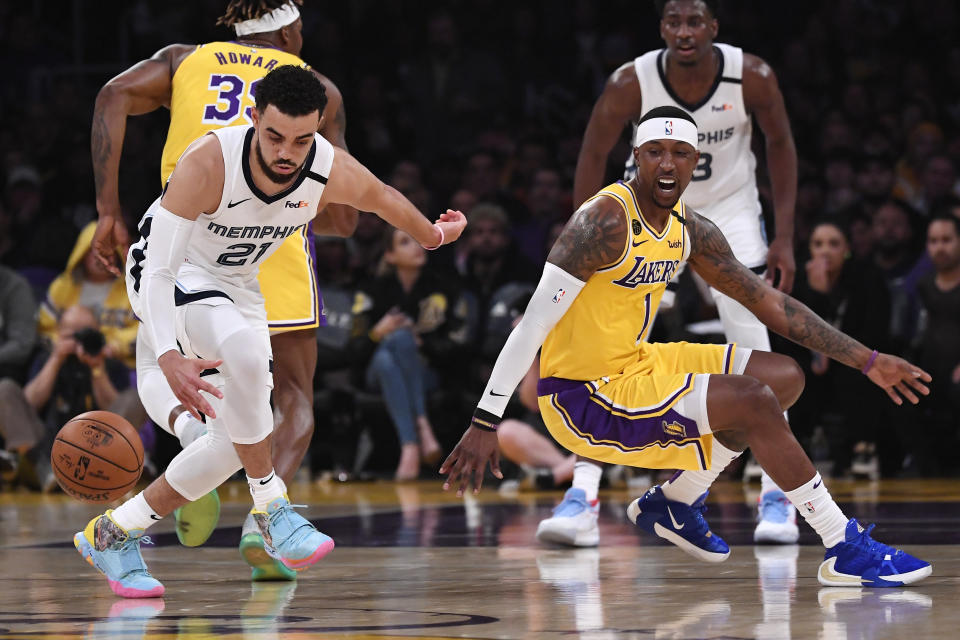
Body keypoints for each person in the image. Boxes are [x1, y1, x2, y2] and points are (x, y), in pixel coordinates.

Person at [441, 106, 932, 589]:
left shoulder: (689, 229)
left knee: (783, 378)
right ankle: (842, 544)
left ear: (697, 161)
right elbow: (530, 328)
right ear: (636, 157)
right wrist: (486, 420)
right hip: (579, 396)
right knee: (753, 402)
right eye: (655, 152)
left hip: (634, 365)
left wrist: (866, 360)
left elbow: (769, 302)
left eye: (680, 153)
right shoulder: (601, 223)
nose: (668, 163)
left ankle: (677, 501)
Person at [74, 65, 466, 599]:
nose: (286, 152)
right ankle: (272, 507)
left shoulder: (326, 167)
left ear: (318, 130)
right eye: (275, 136)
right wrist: (167, 352)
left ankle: (114, 532)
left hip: (236, 283)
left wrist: (435, 234)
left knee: (234, 443)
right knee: (244, 355)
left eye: (302, 140)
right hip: (170, 275)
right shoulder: (208, 162)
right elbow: (160, 273)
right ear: (254, 118)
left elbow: (380, 197)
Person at [87, 0, 355, 580]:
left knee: (171, 369)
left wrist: (108, 211)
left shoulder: (184, 61)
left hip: (181, 238)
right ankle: (267, 525)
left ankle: (186, 457)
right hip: (268, 248)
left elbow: (111, 96)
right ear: (288, 31)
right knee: (292, 399)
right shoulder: (316, 89)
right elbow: (343, 210)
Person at [560, 0, 800, 546]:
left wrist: (783, 234)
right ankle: (582, 492)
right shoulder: (631, 82)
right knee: (607, 344)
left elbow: (781, 145)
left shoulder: (752, 76)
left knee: (753, 337)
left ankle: (775, 493)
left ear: (714, 28)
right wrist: (584, 236)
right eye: (674, 22)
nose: (684, 32)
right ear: (661, 28)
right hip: (650, 205)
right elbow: (592, 151)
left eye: (695, 22)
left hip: (730, 211)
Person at [350, 227, 468, 479]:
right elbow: (353, 350)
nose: (416, 246)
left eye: (417, 241)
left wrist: (421, 342)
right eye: (405, 242)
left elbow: (459, 346)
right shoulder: (371, 290)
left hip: (426, 371)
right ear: (390, 255)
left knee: (391, 354)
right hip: (374, 377)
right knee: (388, 349)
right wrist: (378, 333)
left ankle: (410, 446)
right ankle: (422, 426)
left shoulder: (442, 286)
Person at [0, 305, 130, 491]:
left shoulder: (111, 366)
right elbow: (28, 406)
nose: (79, 342)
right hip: (43, 450)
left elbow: (118, 416)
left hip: (95, 455)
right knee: (5, 389)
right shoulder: (45, 359)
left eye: (86, 334)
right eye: (72, 335)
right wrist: (55, 359)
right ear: (59, 333)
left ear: (99, 332)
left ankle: (86, 473)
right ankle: (43, 467)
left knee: (133, 397)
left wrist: (97, 368)